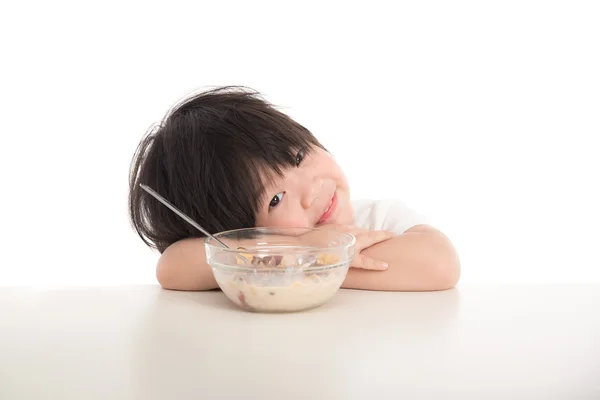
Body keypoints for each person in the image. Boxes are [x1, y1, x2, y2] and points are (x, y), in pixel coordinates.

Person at [128, 86, 460, 291]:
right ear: (240, 233)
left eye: (298, 156)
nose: (311, 189)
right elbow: (173, 266)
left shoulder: (375, 220)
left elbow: (440, 264)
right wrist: (295, 251)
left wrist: (319, 263)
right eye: (275, 199)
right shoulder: (246, 262)